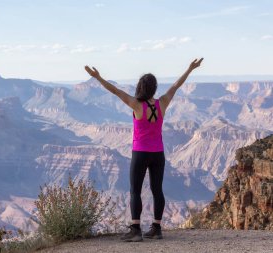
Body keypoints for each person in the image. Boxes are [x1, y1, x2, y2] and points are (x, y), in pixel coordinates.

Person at [85, 58, 204, 242]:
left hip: (140, 153)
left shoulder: (136, 105)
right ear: (154, 88)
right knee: (158, 190)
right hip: (158, 154)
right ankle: (157, 228)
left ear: (141, 87)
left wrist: (98, 77)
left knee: (135, 190)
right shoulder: (162, 102)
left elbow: (115, 91)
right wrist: (190, 69)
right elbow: (176, 86)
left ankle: (135, 230)